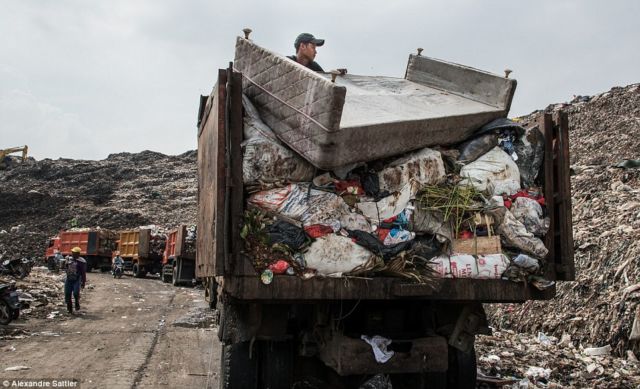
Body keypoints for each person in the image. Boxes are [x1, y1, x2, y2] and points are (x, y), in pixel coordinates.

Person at [63, 247, 87, 313]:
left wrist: (83, 282)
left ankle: (77, 303)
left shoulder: (81, 261)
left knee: (76, 293)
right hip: (69, 279)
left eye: (75, 253)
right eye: (72, 253)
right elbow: (65, 268)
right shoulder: (68, 259)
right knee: (67, 293)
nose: (73, 254)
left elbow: (83, 273)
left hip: (76, 279)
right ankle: (69, 308)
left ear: (78, 254)